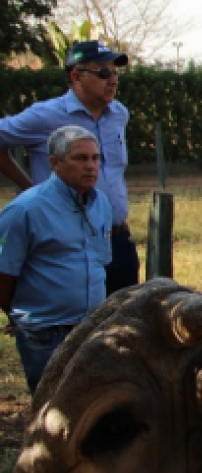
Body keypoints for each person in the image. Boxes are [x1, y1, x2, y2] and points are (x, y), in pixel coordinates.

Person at [0, 40, 138, 296]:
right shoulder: (45, 116)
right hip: (67, 242)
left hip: (117, 239)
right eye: (104, 73)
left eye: (116, 73)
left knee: (125, 327)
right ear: (77, 76)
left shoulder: (119, 114)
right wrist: (30, 188)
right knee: (76, 325)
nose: (113, 80)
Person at [0, 126, 111, 393]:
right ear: (54, 163)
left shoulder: (101, 204)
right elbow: (3, 274)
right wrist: (19, 316)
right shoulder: (25, 210)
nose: (90, 166)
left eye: (95, 158)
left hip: (92, 328)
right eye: (80, 158)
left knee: (92, 407)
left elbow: (100, 262)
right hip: (45, 333)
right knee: (52, 409)